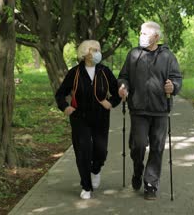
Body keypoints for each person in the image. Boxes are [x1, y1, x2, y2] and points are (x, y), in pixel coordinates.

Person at [118, 21, 182, 200]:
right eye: (140, 33)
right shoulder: (133, 54)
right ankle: (137, 170)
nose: (141, 36)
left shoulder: (168, 56)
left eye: (144, 33)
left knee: (157, 148)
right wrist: (123, 86)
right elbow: (124, 76)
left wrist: (173, 86)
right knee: (137, 145)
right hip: (138, 109)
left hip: (160, 109)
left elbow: (176, 78)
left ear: (156, 37)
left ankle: (150, 184)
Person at [55, 40, 121, 200]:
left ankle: (96, 170)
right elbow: (60, 93)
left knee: (101, 151)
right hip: (80, 118)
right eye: (95, 50)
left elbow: (117, 92)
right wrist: (65, 107)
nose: (98, 52)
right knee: (83, 151)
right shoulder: (75, 73)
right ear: (85, 53)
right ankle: (86, 185)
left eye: (99, 50)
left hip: (100, 117)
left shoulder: (104, 71)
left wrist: (110, 103)